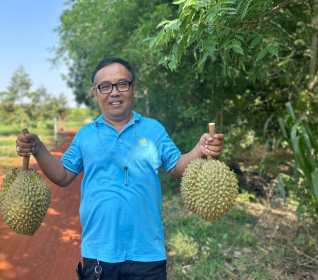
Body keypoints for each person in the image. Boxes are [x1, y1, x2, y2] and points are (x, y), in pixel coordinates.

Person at [16, 57, 224, 280]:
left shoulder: (153, 129)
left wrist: (200, 149)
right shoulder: (86, 135)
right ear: (95, 93)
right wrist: (37, 148)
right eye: (105, 86)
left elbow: (177, 168)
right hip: (99, 253)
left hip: (147, 253)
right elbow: (63, 175)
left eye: (121, 84)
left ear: (133, 88)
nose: (114, 92)